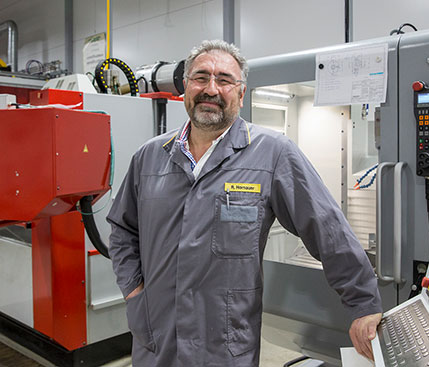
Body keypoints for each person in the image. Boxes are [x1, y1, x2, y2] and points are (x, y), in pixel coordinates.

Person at [107, 39, 382, 367]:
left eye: (224, 80)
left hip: (223, 346)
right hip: (156, 339)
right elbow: (122, 229)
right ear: (184, 87)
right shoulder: (150, 156)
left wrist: (363, 303)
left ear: (240, 93)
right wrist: (134, 291)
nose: (211, 88)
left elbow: (327, 228)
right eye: (200, 77)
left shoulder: (273, 153)